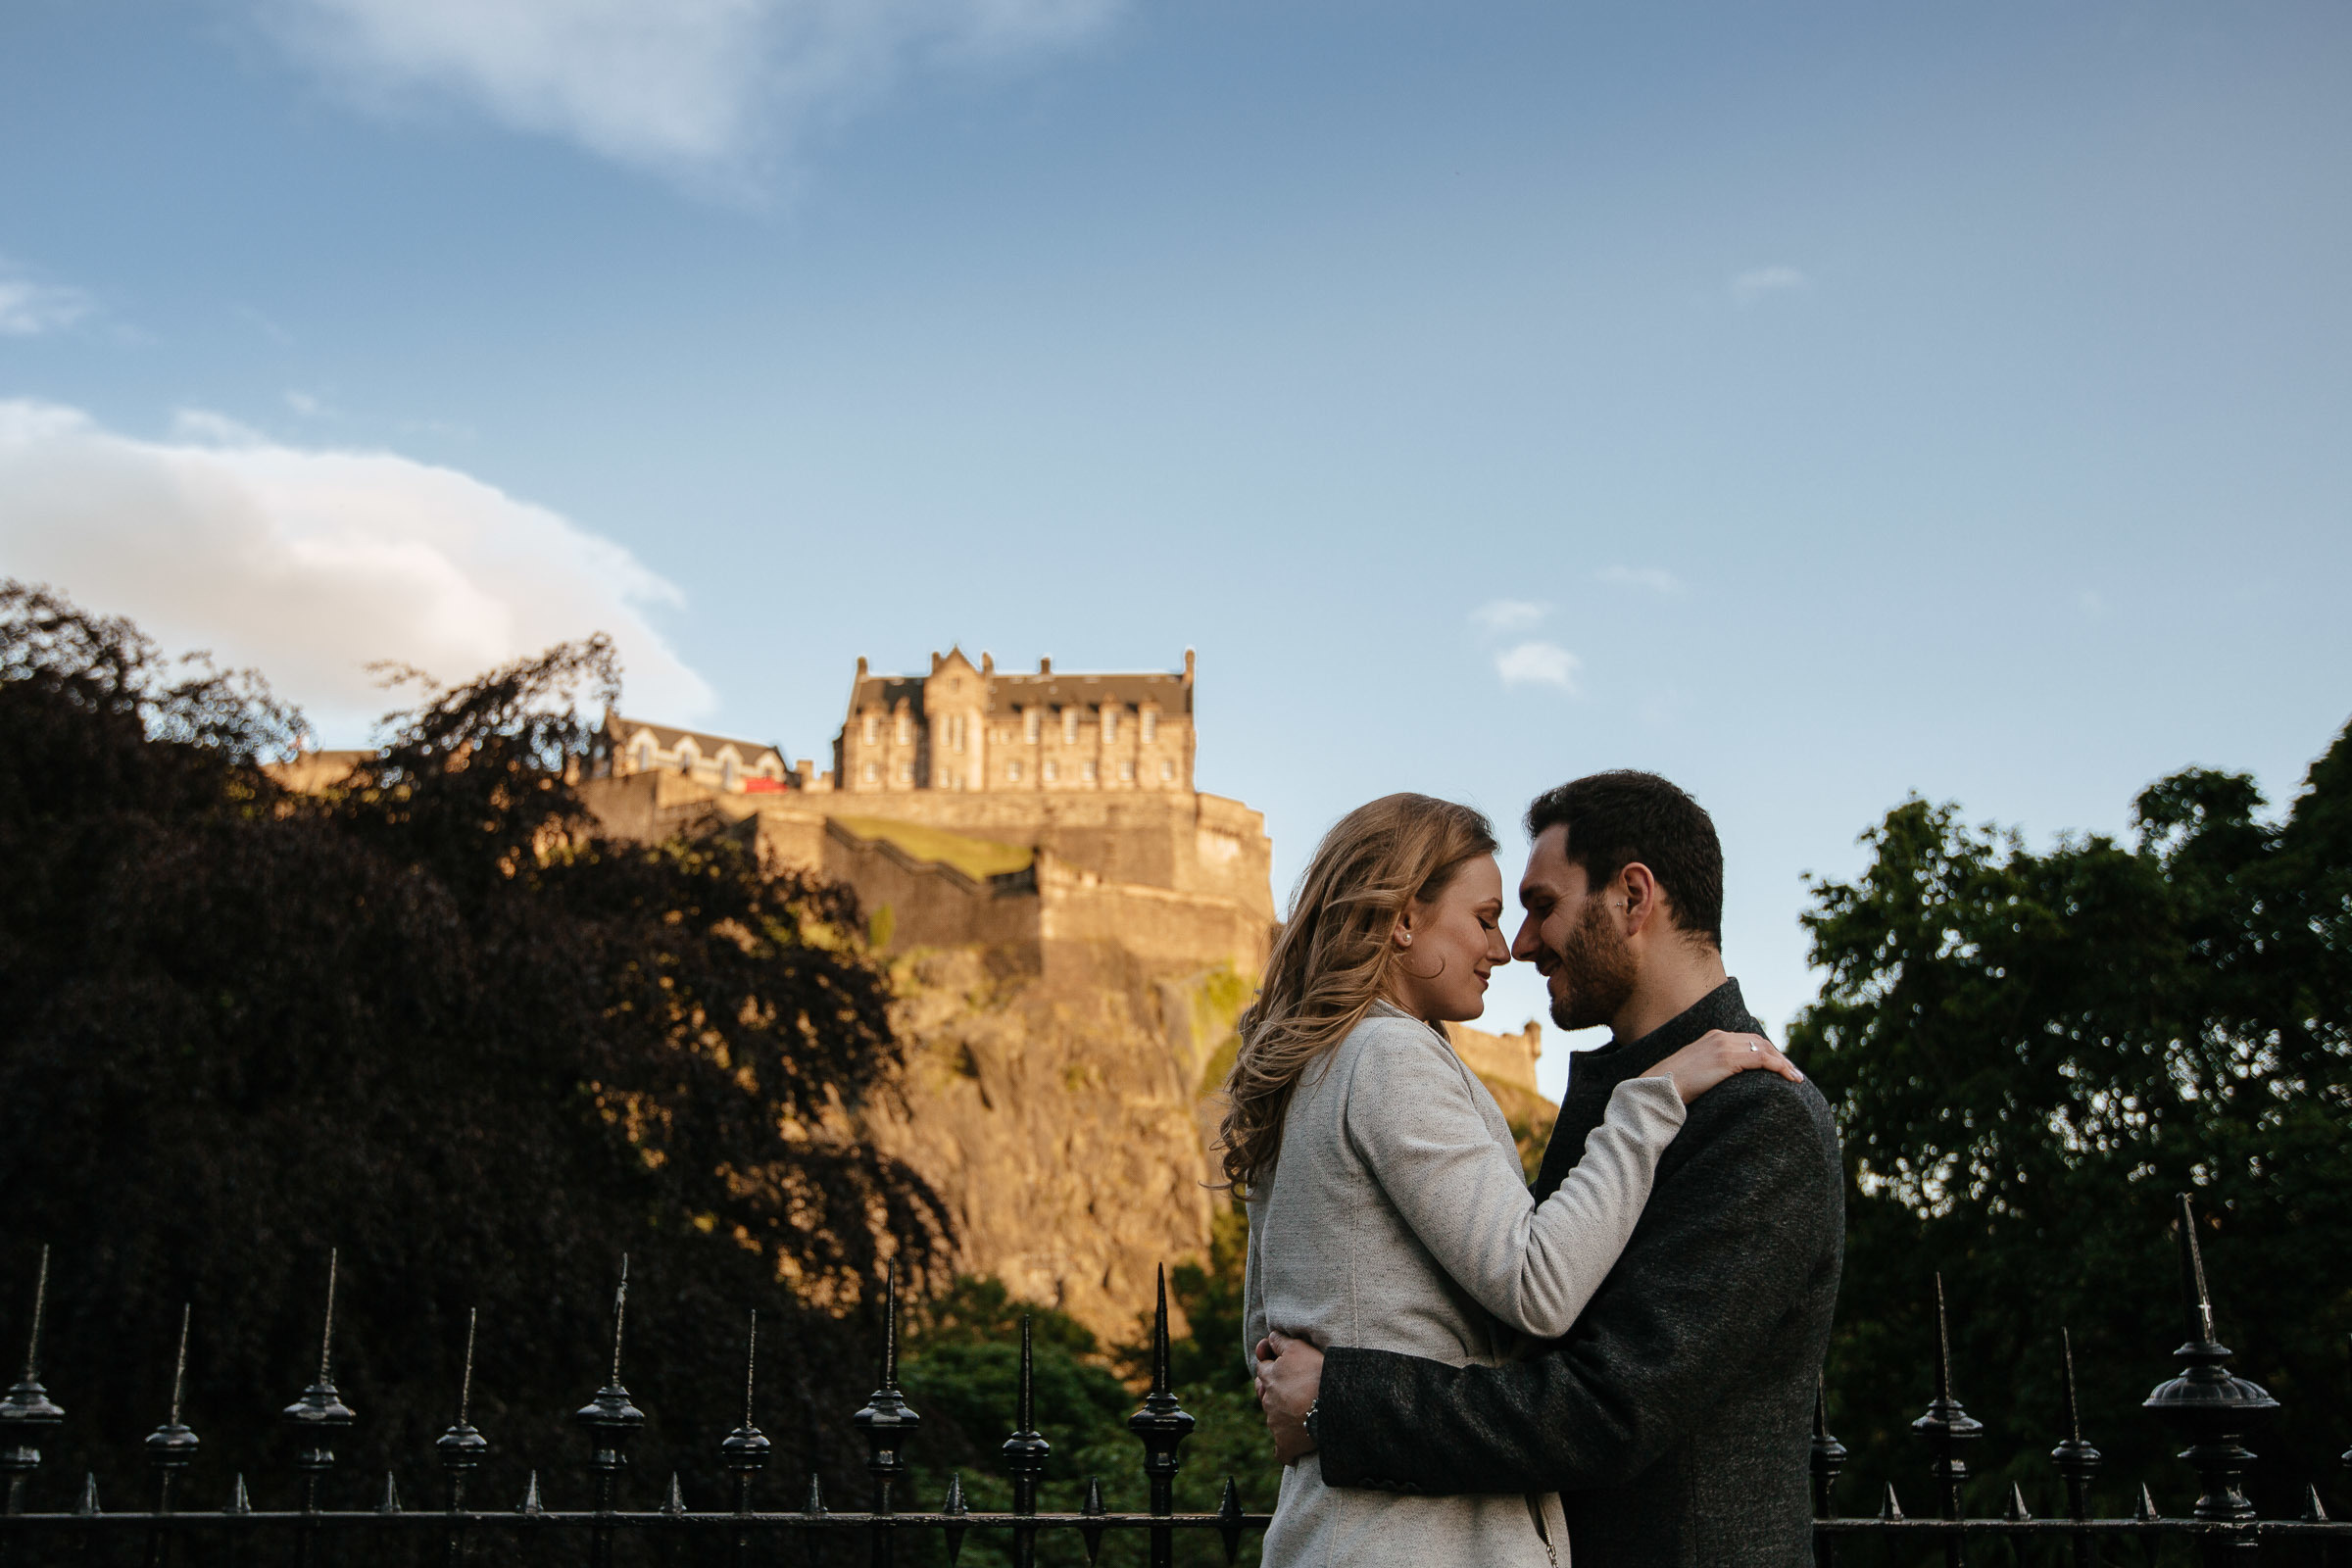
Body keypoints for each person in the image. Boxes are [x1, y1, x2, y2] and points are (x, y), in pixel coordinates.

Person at [1252, 770, 1845, 1567]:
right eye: (1499, 916)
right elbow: (1524, 1323)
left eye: (1538, 908)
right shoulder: (1616, 1100)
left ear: (1634, 898)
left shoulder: (1755, 1115)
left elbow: (1605, 1408)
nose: (1519, 945)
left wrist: (1339, 1400)